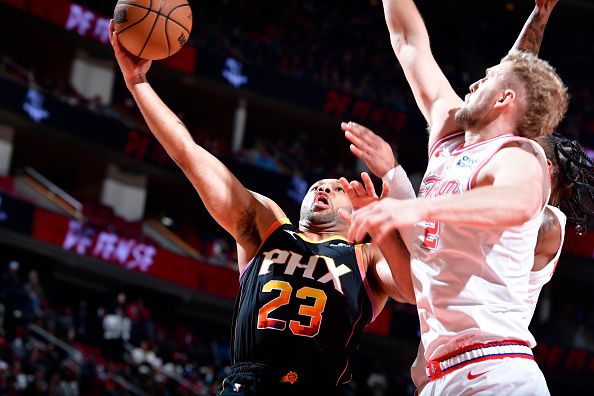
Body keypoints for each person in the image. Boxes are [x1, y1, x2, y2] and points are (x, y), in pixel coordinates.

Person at [108, 21, 413, 395]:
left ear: (355, 210)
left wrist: (384, 227)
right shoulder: (268, 227)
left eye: (336, 188)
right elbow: (190, 155)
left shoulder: (366, 256)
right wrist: (138, 84)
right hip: (247, 385)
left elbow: (415, 291)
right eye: (318, 186)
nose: (323, 188)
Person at [346, 0, 569, 394]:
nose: (471, 84)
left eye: (486, 79)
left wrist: (415, 205)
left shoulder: (518, 157)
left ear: (504, 101)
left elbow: (517, 204)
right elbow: (409, 42)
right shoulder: (449, 139)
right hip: (439, 374)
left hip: (498, 370)